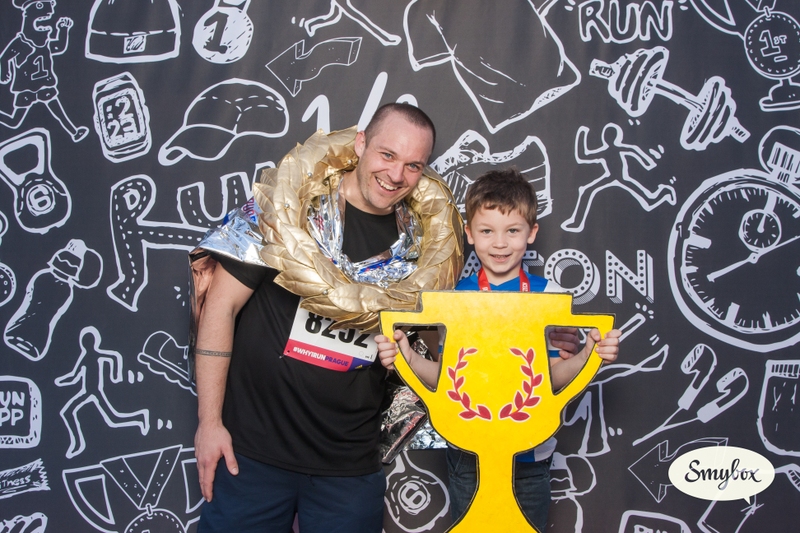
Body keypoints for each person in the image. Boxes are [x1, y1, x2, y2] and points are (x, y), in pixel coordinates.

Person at [193, 103, 463, 533]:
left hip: (348, 466)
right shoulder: (286, 208)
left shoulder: (423, 252)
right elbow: (220, 307)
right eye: (387, 155)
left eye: (413, 165)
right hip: (252, 453)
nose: (396, 175)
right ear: (360, 143)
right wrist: (209, 424)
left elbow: (424, 357)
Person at [377, 167, 621, 531]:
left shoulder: (550, 297)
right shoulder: (455, 299)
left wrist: (590, 354)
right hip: (468, 456)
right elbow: (448, 380)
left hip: (530, 458)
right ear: (469, 234)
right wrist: (407, 358)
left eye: (513, 231)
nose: (500, 244)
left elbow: (552, 379)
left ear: (531, 233)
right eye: (487, 231)